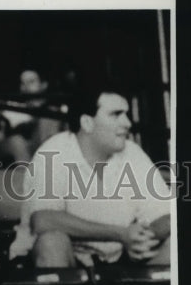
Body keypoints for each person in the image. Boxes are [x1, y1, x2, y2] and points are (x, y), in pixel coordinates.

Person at [16, 85, 171, 267]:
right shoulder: (53, 152)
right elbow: (43, 220)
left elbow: (166, 215)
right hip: (67, 263)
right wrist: (121, 234)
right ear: (87, 123)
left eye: (126, 114)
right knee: (51, 242)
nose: (127, 123)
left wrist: (140, 238)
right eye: (116, 114)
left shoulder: (132, 153)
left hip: (120, 260)